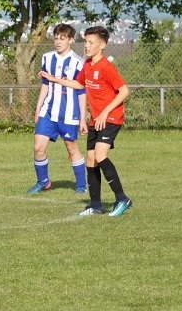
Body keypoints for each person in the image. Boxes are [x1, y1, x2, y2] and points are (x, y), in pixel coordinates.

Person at [51, 25, 132, 217]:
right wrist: (55, 80)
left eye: (91, 42)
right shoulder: (87, 65)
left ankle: (122, 199)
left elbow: (124, 91)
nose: (86, 45)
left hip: (111, 118)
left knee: (101, 156)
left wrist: (105, 112)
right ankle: (95, 204)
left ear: (102, 45)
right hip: (96, 120)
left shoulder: (106, 67)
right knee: (90, 160)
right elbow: (79, 84)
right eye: (85, 41)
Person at [30, 23, 87, 194]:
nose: (58, 42)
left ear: (71, 40)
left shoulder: (78, 63)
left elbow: (81, 91)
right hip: (48, 111)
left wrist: (83, 118)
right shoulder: (47, 58)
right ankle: (43, 182)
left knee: (71, 148)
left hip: (68, 114)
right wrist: (38, 107)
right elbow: (45, 84)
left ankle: (81, 185)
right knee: (38, 147)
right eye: (56, 38)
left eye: (62, 39)